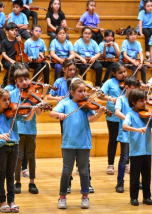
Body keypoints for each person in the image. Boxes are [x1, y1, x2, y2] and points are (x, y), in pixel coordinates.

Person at [50, 78, 106, 209]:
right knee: (66, 171)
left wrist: (99, 114)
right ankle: (62, 196)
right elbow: (52, 113)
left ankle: (85, 196)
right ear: (72, 92)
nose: (84, 94)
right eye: (80, 91)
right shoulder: (65, 103)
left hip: (84, 143)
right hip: (68, 143)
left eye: (85, 91)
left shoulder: (87, 105)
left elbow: (91, 120)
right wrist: (59, 114)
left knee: (84, 171)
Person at [10, 68, 48, 195]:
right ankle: (17, 182)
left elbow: (39, 113)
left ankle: (32, 182)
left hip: (31, 130)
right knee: (18, 157)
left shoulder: (34, 94)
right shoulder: (13, 94)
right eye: (21, 80)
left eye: (26, 79)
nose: (25, 82)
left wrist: (42, 98)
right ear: (16, 82)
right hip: (17, 130)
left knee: (31, 156)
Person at [0, 88, 20, 213]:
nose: (7, 102)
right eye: (4, 100)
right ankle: (2, 201)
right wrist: (1, 136)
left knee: (11, 174)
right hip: (1, 148)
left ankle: (11, 201)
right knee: (2, 174)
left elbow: (26, 119)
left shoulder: (14, 113)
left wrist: (33, 110)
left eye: (8, 100)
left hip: (14, 146)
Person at [113, 76, 140, 192]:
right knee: (124, 158)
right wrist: (128, 119)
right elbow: (117, 112)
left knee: (136, 159)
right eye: (134, 89)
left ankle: (136, 182)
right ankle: (120, 183)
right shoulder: (121, 99)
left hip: (136, 134)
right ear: (127, 88)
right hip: (125, 134)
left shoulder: (137, 100)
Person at [100, 62, 127, 175]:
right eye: (120, 73)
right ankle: (110, 164)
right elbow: (101, 94)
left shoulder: (128, 82)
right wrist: (111, 98)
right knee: (113, 140)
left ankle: (126, 163)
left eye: (125, 72)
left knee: (125, 141)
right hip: (113, 116)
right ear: (113, 73)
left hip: (126, 116)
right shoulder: (109, 82)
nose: (124, 74)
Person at [0, 22, 21, 87]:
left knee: (24, 66)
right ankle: (5, 83)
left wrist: (20, 42)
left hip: (16, 59)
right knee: (12, 66)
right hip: (6, 60)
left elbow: (21, 51)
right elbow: (3, 54)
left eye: (16, 30)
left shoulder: (18, 40)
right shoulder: (4, 41)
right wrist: (10, 60)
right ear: (7, 32)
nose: (14, 32)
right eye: (12, 30)